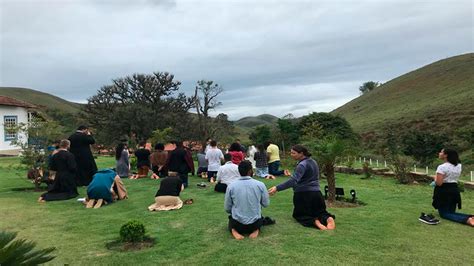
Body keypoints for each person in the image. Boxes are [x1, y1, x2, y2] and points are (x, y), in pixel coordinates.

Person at [268, 145, 336, 230]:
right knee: (320, 212)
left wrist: (277, 188)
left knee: (300, 215)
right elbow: (308, 177)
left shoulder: (302, 164)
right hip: (317, 194)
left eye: (294, 153)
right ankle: (328, 219)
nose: (291, 155)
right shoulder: (313, 162)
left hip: (303, 194)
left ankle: (315, 222)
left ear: (301, 153)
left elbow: (293, 181)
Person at [225, 160, 270, 240]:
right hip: (255, 223)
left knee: (231, 219)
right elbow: (266, 204)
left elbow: (227, 208)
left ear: (239, 171)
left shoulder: (231, 186)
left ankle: (234, 230)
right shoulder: (260, 184)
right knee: (260, 218)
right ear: (250, 171)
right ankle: (256, 230)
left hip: (237, 224)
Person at [431, 148, 474, 226]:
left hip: (444, 191)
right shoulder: (458, 165)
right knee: (451, 212)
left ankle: (467, 220)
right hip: (454, 189)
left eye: (441, 152)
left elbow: (439, 183)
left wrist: (435, 178)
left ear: (446, 155)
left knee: (444, 214)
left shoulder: (442, 167)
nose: (439, 153)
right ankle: (471, 217)